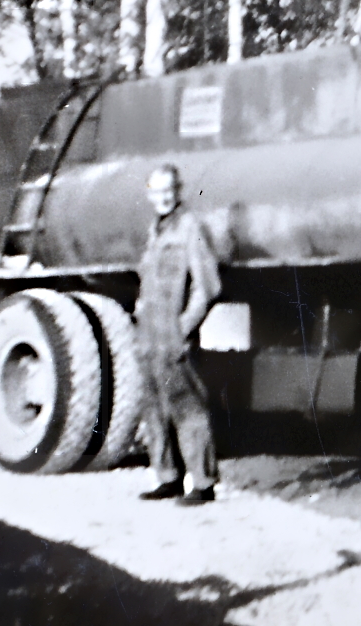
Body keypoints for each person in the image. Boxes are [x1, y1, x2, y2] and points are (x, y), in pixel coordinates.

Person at [136, 164, 223, 506]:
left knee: (187, 407)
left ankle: (202, 483)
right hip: (149, 337)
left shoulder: (190, 228)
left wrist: (184, 327)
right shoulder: (154, 231)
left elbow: (208, 287)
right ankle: (168, 478)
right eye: (156, 191)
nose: (163, 197)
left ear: (178, 190)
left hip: (173, 337)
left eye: (168, 190)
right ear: (149, 194)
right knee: (155, 408)